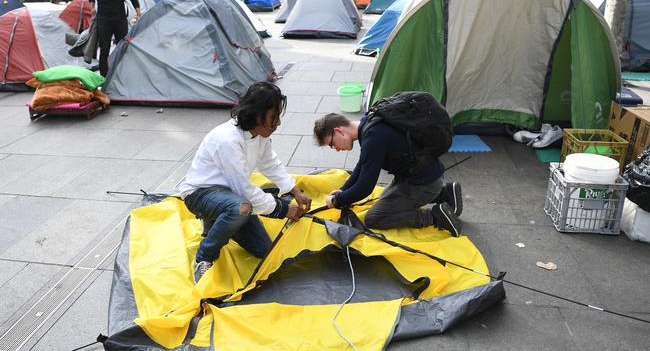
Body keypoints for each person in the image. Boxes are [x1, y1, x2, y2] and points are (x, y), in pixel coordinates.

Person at [179, 82, 312, 283]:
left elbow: (269, 162)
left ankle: (215, 220)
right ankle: (204, 256)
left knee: (265, 250)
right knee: (240, 208)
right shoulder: (227, 140)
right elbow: (244, 189)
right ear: (257, 115)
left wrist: (295, 190)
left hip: (231, 196)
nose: (278, 123)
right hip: (201, 194)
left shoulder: (259, 134)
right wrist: (284, 210)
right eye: (274, 117)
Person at [313, 113, 462, 236]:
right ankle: (444, 193)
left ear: (338, 131)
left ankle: (436, 217)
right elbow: (362, 165)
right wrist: (344, 190)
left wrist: (338, 200)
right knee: (384, 200)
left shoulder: (373, 138)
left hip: (423, 182)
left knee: (375, 218)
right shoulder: (368, 122)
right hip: (421, 175)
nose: (336, 149)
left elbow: (365, 187)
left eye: (332, 145)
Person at [87, 0, 140, 76]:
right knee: (104, 49)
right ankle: (103, 77)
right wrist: (92, 7)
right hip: (103, 18)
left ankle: (123, 74)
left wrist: (138, 13)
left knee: (122, 47)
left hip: (119, 18)